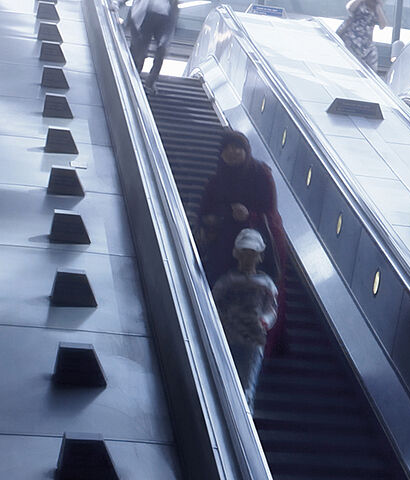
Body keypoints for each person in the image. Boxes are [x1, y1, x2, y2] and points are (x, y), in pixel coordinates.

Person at [198, 130, 288, 350]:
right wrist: (221, 216)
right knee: (222, 283)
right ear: (221, 154)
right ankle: (217, 331)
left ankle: (260, 337)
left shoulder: (261, 174)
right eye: (227, 148)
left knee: (264, 288)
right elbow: (204, 212)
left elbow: (271, 210)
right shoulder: (216, 181)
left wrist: (250, 215)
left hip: (258, 243)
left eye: (237, 147)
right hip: (226, 246)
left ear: (246, 150)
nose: (232, 152)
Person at [211, 229, 279, 408]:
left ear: (260, 256)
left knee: (248, 384)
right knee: (224, 377)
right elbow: (214, 304)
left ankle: (244, 413)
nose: (248, 258)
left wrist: (263, 322)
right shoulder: (227, 281)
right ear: (236, 253)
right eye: (244, 253)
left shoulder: (266, 283)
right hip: (228, 337)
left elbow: (271, 309)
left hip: (253, 340)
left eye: (252, 254)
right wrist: (222, 320)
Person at [127, 0, 178, 93]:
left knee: (161, 51)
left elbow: (174, 7)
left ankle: (150, 81)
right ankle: (134, 76)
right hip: (147, 15)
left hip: (164, 19)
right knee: (140, 50)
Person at [336, 0, 388, 71]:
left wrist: (378, 6)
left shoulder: (376, 8)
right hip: (351, 37)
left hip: (365, 41)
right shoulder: (360, 3)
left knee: (370, 64)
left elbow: (383, 25)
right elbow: (350, 8)